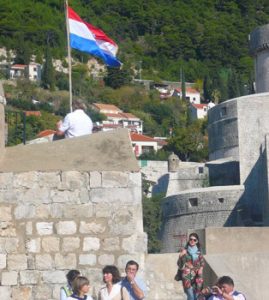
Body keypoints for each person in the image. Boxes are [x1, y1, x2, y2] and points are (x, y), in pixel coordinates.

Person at [178, 233, 204, 300]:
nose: (192, 241)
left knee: (198, 291)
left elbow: (202, 262)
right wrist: (180, 256)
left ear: (197, 241)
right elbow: (180, 265)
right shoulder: (185, 251)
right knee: (189, 292)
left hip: (197, 273)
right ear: (188, 240)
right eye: (191, 239)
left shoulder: (199, 252)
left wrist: (201, 269)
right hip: (188, 273)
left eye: (194, 240)